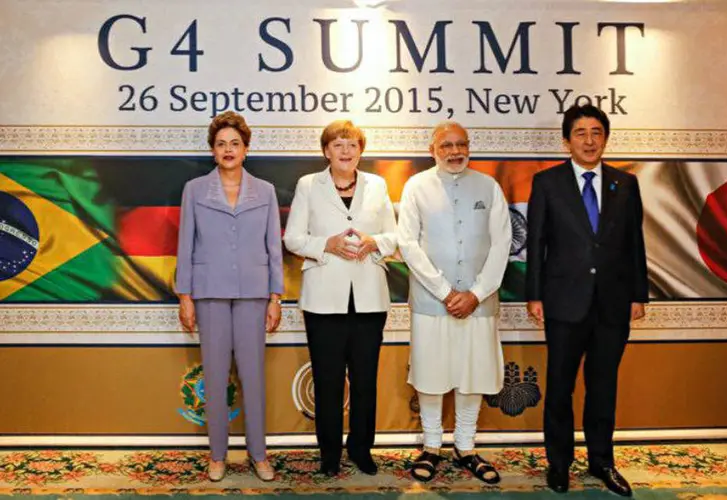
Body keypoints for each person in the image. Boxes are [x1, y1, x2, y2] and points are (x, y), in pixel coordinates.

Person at [525, 104, 648, 497]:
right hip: (563, 301)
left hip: (613, 303)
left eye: (596, 132)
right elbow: (537, 244)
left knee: (603, 386)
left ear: (605, 139)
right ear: (567, 141)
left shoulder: (625, 184)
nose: (589, 140)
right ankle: (559, 464)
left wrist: (638, 294)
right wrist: (534, 295)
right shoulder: (547, 184)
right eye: (580, 133)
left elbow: (635, 244)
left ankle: (602, 462)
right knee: (560, 387)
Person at [397, 121, 512, 484]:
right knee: (431, 375)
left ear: (469, 147)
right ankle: (432, 446)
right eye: (446, 145)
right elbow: (408, 244)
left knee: (472, 375)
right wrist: (446, 292)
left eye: (461, 144)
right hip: (433, 303)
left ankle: (466, 446)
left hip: (478, 303)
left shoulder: (489, 187)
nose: (454, 151)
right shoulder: (417, 186)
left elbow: (502, 244)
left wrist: (476, 293)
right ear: (433, 150)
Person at [283, 120, 398, 477]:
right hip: (323, 302)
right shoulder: (308, 185)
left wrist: (373, 242)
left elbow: (396, 238)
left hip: (368, 300)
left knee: (365, 380)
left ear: (361, 151)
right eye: (338, 145)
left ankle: (362, 449)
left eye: (351, 145)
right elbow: (293, 238)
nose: (345, 151)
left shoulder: (377, 185)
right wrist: (326, 245)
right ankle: (329, 454)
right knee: (328, 380)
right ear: (326, 151)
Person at [175, 111, 283, 482]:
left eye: (234, 143)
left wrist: (275, 296)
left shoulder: (265, 191)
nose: (228, 149)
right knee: (215, 377)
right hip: (209, 294)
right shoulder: (193, 190)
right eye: (221, 144)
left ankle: (259, 454)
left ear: (246, 149)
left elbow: (273, 247)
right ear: (212, 151)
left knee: (253, 377)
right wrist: (185, 296)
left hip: (254, 294)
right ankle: (217, 455)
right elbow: (185, 244)